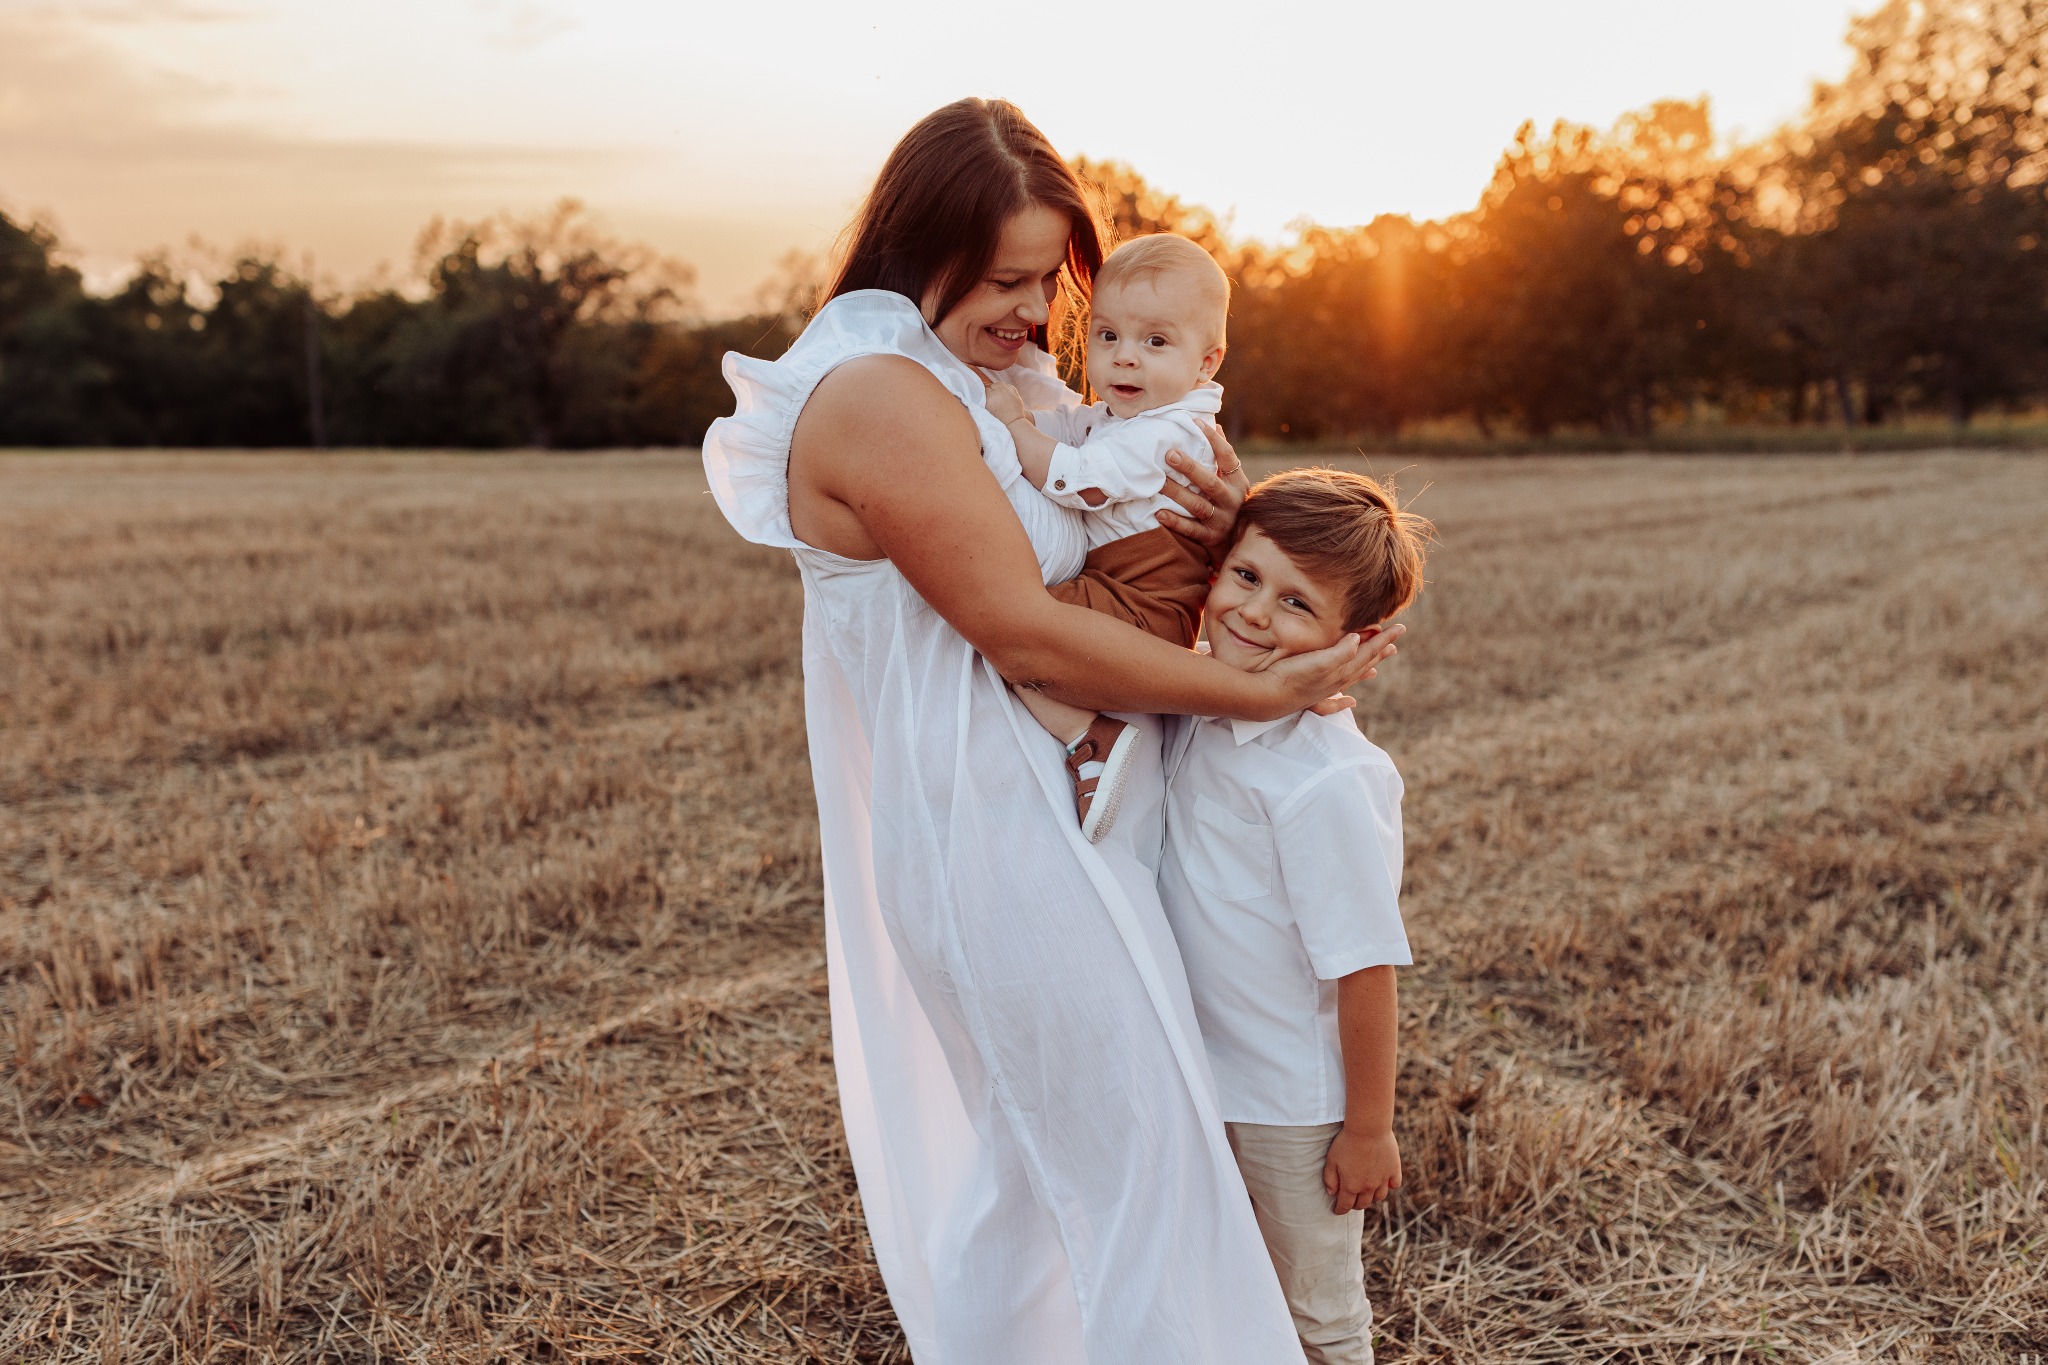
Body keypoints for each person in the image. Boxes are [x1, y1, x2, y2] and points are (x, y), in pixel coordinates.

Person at [701, 98, 1400, 1364]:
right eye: (1009, 279)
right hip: (993, 836)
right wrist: (1257, 696)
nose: (1037, 314)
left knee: (1052, 1182)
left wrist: (1223, 534)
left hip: (1069, 813)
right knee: (1137, 1174)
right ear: (922, 247)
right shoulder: (875, 395)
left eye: (1051, 280)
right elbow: (1016, 632)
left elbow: (1125, 558)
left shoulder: (994, 384)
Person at [1158, 468, 1432, 1365]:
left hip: (1288, 1104)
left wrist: (1367, 1127)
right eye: (1245, 576)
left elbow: (1363, 966)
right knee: (1216, 1289)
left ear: (1350, 643)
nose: (1253, 614)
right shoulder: (1195, 697)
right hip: (1195, 1073)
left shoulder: (1329, 779)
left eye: (1294, 603)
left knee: (1317, 1310)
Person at [982, 233, 1231, 842]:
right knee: (1009, 632)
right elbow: (1066, 428)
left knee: (1009, 631)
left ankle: (1089, 736)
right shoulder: (1120, 418)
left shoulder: (1172, 433)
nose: (1124, 357)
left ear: (1207, 362)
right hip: (1121, 592)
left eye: (1155, 341)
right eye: (1108, 335)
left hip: (1144, 604)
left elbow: (1081, 482)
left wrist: (1012, 425)